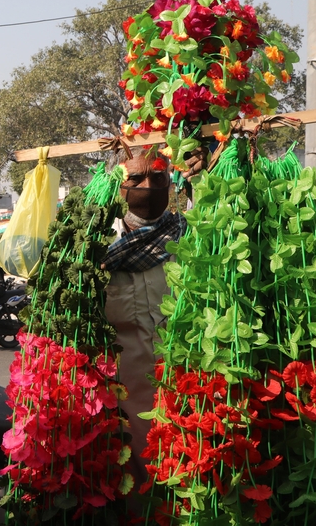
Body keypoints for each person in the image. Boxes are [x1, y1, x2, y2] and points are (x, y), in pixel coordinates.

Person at [102, 148, 201, 494]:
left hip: (184, 393)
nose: (149, 185)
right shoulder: (98, 246)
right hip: (123, 405)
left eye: (158, 177)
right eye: (136, 178)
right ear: (118, 187)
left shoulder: (188, 235)